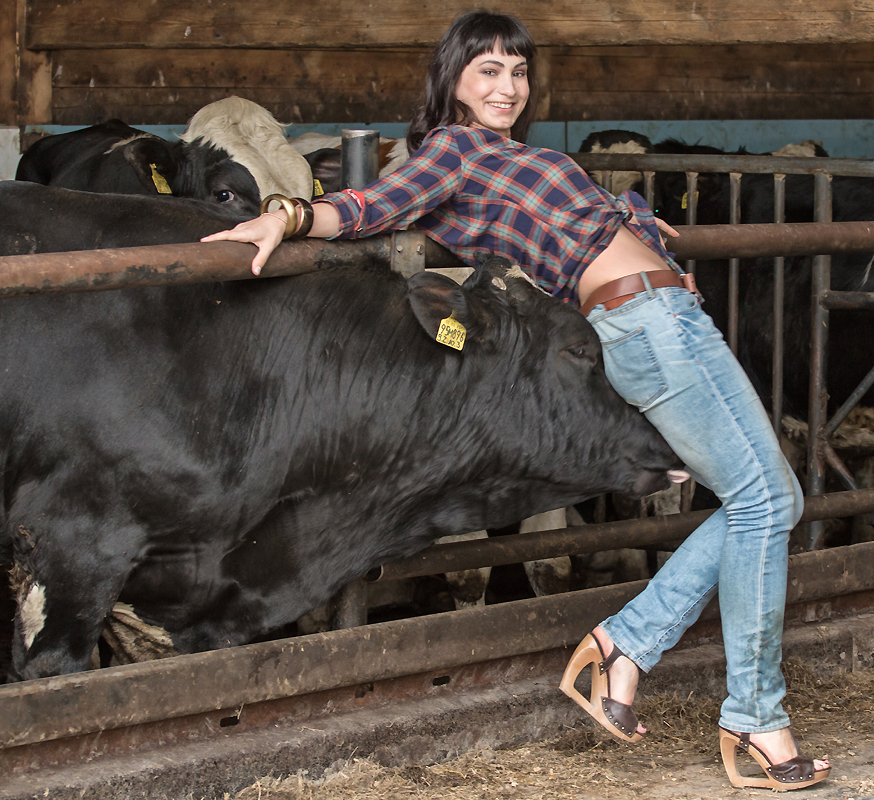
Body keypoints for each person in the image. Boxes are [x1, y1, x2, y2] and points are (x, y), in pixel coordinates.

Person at [201, 10, 829, 791]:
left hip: (669, 318)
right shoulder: (453, 151)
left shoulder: (516, 157)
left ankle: (626, 650)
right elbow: (369, 209)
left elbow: (601, 218)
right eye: (488, 70)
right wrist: (289, 215)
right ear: (454, 81)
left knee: (766, 498)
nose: (508, 86)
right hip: (646, 326)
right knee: (767, 500)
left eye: (519, 71)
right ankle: (752, 716)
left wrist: (642, 225)